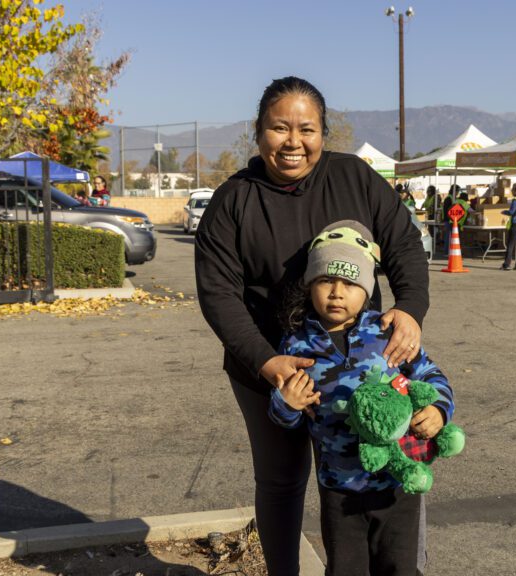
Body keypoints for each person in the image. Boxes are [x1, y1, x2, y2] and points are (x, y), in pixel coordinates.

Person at [194, 76, 429, 576]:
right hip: (270, 367)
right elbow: (218, 295)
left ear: (324, 132)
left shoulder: (355, 178)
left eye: (307, 128)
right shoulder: (232, 201)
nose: (293, 141)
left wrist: (409, 307)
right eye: (280, 128)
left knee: (384, 464)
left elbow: (404, 244)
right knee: (282, 479)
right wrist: (266, 361)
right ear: (258, 133)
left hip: (365, 364)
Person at [271, 221, 454, 576]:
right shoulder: (296, 344)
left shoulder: (387, 331)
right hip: (340, 488)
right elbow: (286, 419)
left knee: (399, 567)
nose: (337, 293)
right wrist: (285, 404)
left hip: (397, 484)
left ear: (367, 289)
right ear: (310, 285)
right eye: (326, 281)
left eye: (351, 283)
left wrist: (438, 410)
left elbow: (432, 375)